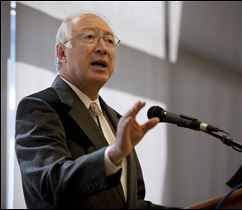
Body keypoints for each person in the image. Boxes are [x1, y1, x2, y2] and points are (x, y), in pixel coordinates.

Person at [15, 12, 175, 209]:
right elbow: (52, 183)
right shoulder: (40, 107)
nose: (103, 48)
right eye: (89, 36)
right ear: (61, 53)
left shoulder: (117, 120)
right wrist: (113, 155)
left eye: (109, 40)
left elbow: (132, 204)